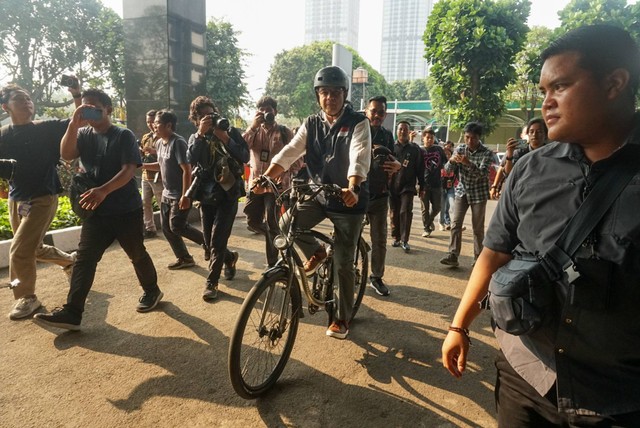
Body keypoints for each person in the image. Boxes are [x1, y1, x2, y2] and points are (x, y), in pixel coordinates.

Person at [442, 25, 640, 425]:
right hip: (526, 375)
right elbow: (494, 252)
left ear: (614, 83)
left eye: (561, 87)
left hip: (619, 398)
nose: (546, 103)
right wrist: (458, 325)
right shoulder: (531, 169)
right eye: (544, 91)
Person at [253, 65, 371, 339]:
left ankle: (341, 318)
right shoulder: (312, 123)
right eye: (324, 92)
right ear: (318, 95)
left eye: (335, 93)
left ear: (344, 94)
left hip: (348, 199)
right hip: (319, 194)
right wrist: (266, 178)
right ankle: (317, 252)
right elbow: (290, 151)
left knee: (342, 262)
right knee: (285, 225)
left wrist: (353, 185)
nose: (330, 98)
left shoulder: (357, 122)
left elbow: (359, 154)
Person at [33, 89, 163, 331]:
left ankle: (152, 291)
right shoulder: (82, 133)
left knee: (136, 254)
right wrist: (74, 122)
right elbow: (66, 153)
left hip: (125, 210)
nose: (89, 113)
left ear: (109, 110)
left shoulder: (122, 135)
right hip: (97, 212)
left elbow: (128, 170)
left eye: (95, 108)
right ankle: (72, 312)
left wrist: (103, 190)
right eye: (85, 108)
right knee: (84, 259)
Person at [0, 83, 79, 320]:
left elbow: (78, 120)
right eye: (20, 99)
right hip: (16, 199)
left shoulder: (46, 128)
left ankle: (26, 297)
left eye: (28, 98)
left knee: (19, 249)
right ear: (6, 107)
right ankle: (69, 261)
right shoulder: (3, 135)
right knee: (32, 248)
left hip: (43, 196)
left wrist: (76, 93)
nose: (27, 102)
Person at [186, 96, 249, 301]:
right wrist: (200, 134)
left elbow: (245, 156)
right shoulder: (196, 137)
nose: (210, 119)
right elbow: (191, 159)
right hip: (206, 194)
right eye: (203, 116)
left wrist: (225, 138)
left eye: (212, 114)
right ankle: (229, 259)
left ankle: (211, 282)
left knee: (218, 240)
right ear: (196, 119)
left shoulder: (229, 132)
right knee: (208, 240)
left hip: (228, 193)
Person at [242, 96, 300, 268]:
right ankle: (275, 235)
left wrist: (285, 174)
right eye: (263, 109)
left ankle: (272, 264)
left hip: (277, 186)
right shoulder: (253, 131)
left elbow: (296, 159)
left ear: (276, 111)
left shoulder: (284, 132)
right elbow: (241, 148)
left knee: (272, 221)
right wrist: (253, 126)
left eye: (269, 109)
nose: (266, 113)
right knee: (252, 220)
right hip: (257, 185)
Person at [143, 109, 204, 269]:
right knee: (167, 228)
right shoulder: (158, 143)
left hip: (179, 194)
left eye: (157, 123)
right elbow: (161, 165)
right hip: (166, 194)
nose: (153, 126)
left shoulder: (178, 142)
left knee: (177, 225)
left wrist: (185, 195)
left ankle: (215, 248)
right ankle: (184, 258)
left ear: (168, 125)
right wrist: (142, 165)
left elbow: (187, 170)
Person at [439, 122, 493, 267]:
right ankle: (453, 255)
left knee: (477, 228)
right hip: (462, 192)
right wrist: (451, 160)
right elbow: (448, 170)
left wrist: (468, 163)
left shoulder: (487, 153)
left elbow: (482, 175)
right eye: (467, 137)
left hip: (479, 194)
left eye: (473, 138)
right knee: (455, 224)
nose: (470, 141)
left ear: (479, 138)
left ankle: (478, 259)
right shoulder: (460, 149)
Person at [364, 95, 400, 296]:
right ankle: (348, 272)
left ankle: (376, 277)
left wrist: (397, 165)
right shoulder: (357, 130)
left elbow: (395, 159)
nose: (377, 115)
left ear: (385, 115)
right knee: (347, 236)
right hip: (356, 193)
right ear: (366, 111)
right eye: (374, 111)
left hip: (380, 194)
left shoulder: (387, 135)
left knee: (379, 239)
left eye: (381, 112)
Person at [389, 120, 424, 253]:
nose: (403, 132)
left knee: (405, 211)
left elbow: (421, 168)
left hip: (408, 186)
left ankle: (405, 240)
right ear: (397, 131)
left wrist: (422, 186)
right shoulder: (391, 148)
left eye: (405, 129)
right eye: (400, 129)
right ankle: (396, 237)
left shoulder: (415, 150)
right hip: (392, 186)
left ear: (409, 132)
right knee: (394, 212)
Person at [139, 109, 163, 239]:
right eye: (147, 121)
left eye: (152, 121)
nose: (150, 124)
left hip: (158, 176)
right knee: (145, 202)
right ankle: (150, 228)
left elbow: (167, 156)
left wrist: (153, 151)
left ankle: (168, 227)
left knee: (161, 203)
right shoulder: (146, 137)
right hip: (145, 174)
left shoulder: (163, 136)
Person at [419, 127, 446, 237]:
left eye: (432, 137)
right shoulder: (420, 151)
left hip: (436, 183)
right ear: (423, 138)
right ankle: (426, 228)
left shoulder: (438, 150)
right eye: (428, 138)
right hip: (423, 184)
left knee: (437, 207)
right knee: (424, 208)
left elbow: (445, 162)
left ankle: (429, 222)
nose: (430, 140)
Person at [439, 141, 456, 230]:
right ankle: (441, 223)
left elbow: (457, 174)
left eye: (449, 153)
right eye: (445, 153)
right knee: (442, 207)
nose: (447, 154)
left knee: (452, 205)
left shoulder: (454, 163)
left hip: (451, 187)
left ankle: (455, 223)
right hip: (441, 186)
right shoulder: (440, 162)